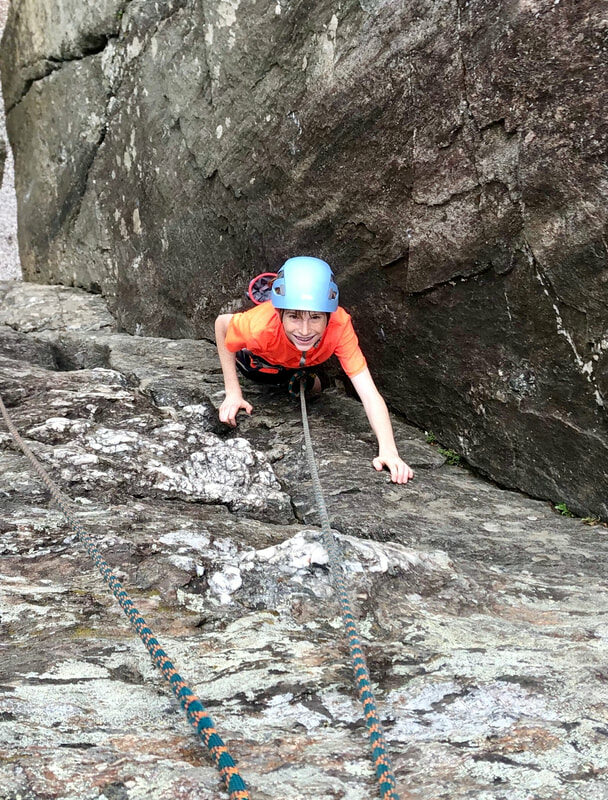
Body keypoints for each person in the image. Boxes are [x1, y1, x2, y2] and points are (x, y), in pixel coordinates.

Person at [214, 256, 413, 484]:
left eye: (316, 317)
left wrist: (389, 450)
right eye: (294, 316)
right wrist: (233, 392)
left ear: (328, 315)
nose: (305, 329)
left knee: (314, 389)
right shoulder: (259, 327)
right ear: (280, 314)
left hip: (304, 360)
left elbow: (368, 392)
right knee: (264, 373)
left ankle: (300, 373)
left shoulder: (339, 326)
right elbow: (221, 324)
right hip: (261, 360)